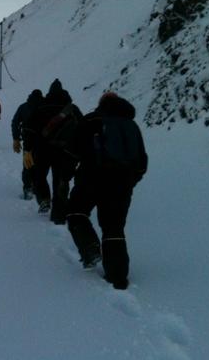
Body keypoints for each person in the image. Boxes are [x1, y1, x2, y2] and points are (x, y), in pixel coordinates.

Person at [65, 92, 148, 290]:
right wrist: (130, 181)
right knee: (113, 227)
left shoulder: (91, 120)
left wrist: (67, 174)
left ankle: (90, 248)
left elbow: (72, 151)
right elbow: (142, 161)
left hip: (90, 179)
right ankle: (117, 277)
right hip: (122, 183)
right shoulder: (131, 125)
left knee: (76, 212)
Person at [23, 79, 82, 224]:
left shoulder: (42, 106)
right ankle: (59, 214)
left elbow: (30, 128)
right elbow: (82, 130)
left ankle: (44, 199)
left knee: (39, 176)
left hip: (42, 149)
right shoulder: (72, 109)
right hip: (65, 152)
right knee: (61, 181)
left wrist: (27, 149)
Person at [11, 89, 43, 199]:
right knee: (40, 166)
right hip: (44, 142)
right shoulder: (44, 106)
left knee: (27, 164)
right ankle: (37, 187)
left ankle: (28, 188)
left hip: (28, 141)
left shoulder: (24, 106)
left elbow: (15, 122)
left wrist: (16, 138)